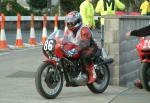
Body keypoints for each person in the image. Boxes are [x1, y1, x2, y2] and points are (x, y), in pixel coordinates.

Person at [64, 11, 98, 84]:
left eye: (71, 23)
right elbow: (64, 41)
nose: (69, 24)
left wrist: (75, 50)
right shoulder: (68, 31)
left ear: (77, 21)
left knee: (85, 55)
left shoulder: (84, 29)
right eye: (68, 23)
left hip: (90, 47)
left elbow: (85, 43)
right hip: (77, 48)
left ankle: (92, 73)